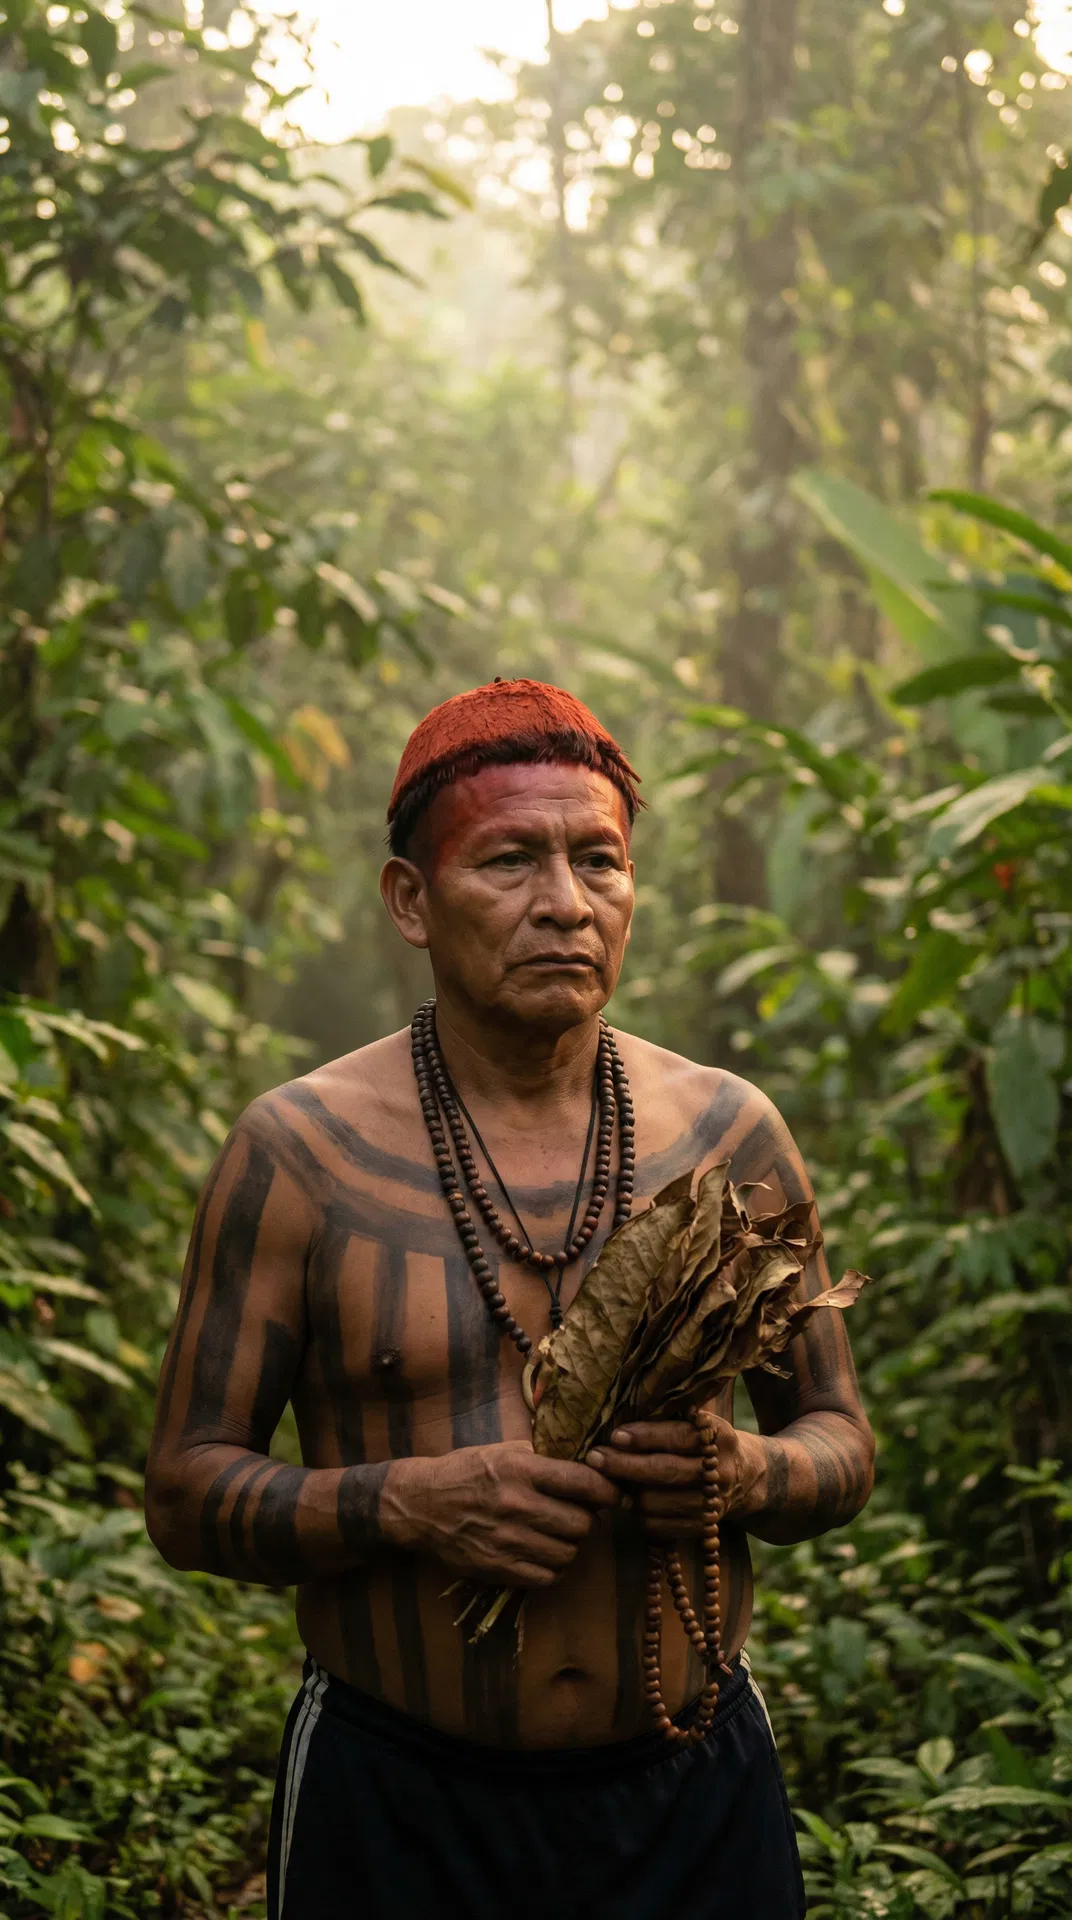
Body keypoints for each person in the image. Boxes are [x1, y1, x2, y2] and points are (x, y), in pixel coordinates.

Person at [145, 678, 875, 1920]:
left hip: (691, 1791)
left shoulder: (727, 1134)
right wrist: (406, 1503)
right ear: (410, 902)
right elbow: (184, 1492)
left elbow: (842, 1445)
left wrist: (741, 1475)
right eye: (510, 861)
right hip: (398, 1804)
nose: (565, 903)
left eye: (600, 861)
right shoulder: (299, 1155)